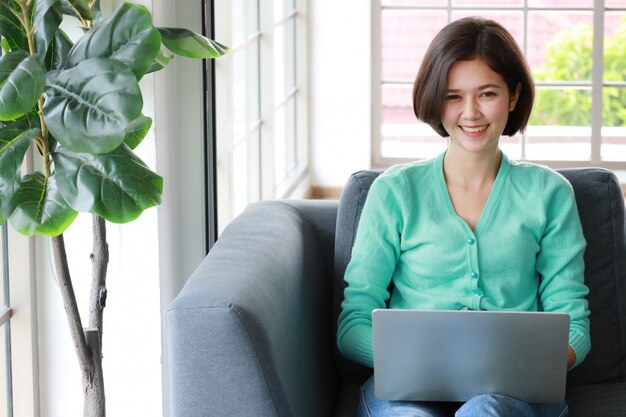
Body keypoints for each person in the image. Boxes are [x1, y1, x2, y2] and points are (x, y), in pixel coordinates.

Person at [337, 16, 590, 417]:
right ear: (436, 100)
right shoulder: (394, 192)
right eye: (453, 96)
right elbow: (352, 325)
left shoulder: (549, 194)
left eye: (487, 93)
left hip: (511, 397)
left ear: (513, 96)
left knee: (484, 411)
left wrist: (525, 367)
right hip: (406, 395)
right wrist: (424, 364)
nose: (470, 113)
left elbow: (574, 323)